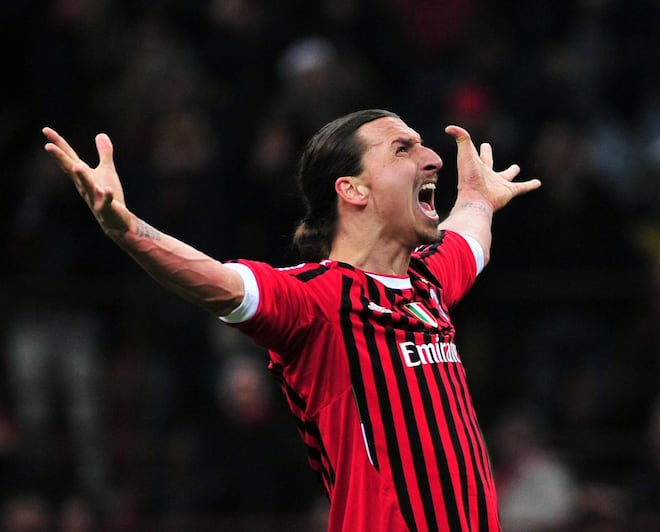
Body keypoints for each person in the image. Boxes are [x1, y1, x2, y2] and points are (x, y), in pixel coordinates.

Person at [42, 108, 541, 531]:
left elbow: (471, 233)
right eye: (402, 149)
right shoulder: (315, 298)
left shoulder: (427, 284)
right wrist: (126, 229)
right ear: (353, 190)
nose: (431, 157)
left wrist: (477, 196)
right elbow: (215, 282)